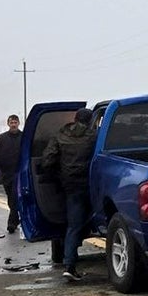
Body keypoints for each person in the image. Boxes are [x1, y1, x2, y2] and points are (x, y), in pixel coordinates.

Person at [39, 108, 97, 282]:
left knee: (73, 225)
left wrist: (57, 174)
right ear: (90, 121)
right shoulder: (94, 136)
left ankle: (70, 264)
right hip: (92, 184)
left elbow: (47, 160)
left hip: (70, 185)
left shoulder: (61, 135)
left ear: (75, 118)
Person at [0, 114, 23, 234]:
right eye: (11, 122)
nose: (13, 125)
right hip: (7, 174)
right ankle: (15, 220)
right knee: (11, 198)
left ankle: (12, 223)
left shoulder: (24, 137)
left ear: (18, 123)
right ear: (8, 124)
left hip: (20, 173)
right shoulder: (2, 138)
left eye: (15, 122)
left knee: (15, 198)